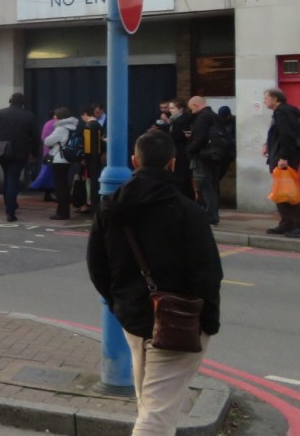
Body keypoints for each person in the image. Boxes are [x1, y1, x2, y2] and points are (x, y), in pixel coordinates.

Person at [87, 130, 222, 434]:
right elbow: (207, 273)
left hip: (134, 319)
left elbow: (97, 267)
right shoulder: (188, 211)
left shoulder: (109, 208)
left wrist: (119, 303)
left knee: (150, 406)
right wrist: (207, 323)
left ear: (135, 162)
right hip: (178, 322)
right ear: (173, 164)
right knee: (156, 417)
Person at [262, 88, 300, 237]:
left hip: (285, 158)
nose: (264, 100)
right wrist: (267, 145)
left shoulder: (283, 113)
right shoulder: (283, 112)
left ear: (275, 99)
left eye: (266, 98)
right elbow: (279, 135)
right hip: (280, 155)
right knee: (281, 191)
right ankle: (287, 223)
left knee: (287, 191)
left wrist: (283, 158)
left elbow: (288, 136)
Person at [0, 93, 38, 223]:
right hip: (20, 152)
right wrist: (35, 153)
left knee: (7, 177)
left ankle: (9, 203)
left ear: (10, 101)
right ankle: (10, 210)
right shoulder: (28, 115)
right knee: (13, 179)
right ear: (23, 102)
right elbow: (35, 136)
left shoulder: (0, 113)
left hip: (2, 151)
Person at [185, 96, 223, 225]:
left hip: (202, 156)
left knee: (204, 185)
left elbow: (199, 138)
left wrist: (189, 149)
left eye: (192, 109)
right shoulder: (214, 115)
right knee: (212, 185)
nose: (192, 112)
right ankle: (213, 213)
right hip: (214, 156)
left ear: (195, 105)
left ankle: (210, 215)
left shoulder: (202, 117)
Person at [43, 107, 79, 220]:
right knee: (64, 185)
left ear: (59, 117)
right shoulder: (73, 127)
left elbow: (48, 141)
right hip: (67, 159)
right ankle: (64, 211)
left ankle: (62, 212)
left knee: (60, 187)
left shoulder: (61, 128)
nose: (54, 117)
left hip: (59, 159)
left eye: (55, 116)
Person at [166, 98, 196, 201]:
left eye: (173, 108)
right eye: (170, 108)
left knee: (182, 177)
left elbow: (178, 136)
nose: (170, 110)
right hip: (179, 151)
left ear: (180, 109)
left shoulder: (181, 121)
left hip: (182, 152)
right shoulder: (175, 121)